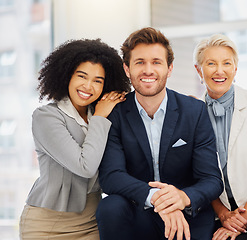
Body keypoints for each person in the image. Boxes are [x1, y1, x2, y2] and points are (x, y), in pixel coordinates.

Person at [95, 27, 223, 240]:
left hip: (186, 217)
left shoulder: (194, 111)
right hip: (139, 211)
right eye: (139, 62)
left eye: (156, 62)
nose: (148, 70)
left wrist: (181, 198)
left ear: (169, 68)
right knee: (110, 207)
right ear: (127, 69)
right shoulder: (116, 113)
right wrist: (156, 197)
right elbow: (111, 176)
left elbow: (211, 180)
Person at [19, 39, 131, 239]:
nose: (88, 86)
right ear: (66, 76)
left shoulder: (104, 114)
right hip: (48, 223)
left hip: (91, 220)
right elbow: (85, 167)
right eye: (82, 76)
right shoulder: (47, 117)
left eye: (98, 80)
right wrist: (99, 118)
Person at [193, 34, 247, 240]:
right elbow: (198, 172)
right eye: (211, 63)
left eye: (227, 63)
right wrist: (223, 215)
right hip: (213, 213)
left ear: (236, 69)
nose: (219, 71)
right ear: (199, 70)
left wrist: (240, 219)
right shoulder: (192, 112)